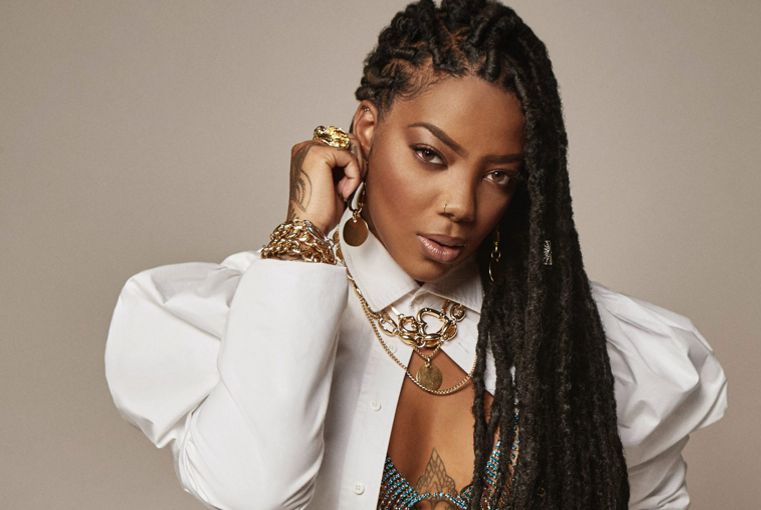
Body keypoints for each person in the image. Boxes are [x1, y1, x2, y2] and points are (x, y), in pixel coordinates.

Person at [104, 0, 728, 509]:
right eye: (431, 155)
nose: (461, 204)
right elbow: (254, 494)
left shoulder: (578, 347)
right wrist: (302, 236)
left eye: (499, 176)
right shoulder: (246, 317)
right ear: (366, 129)